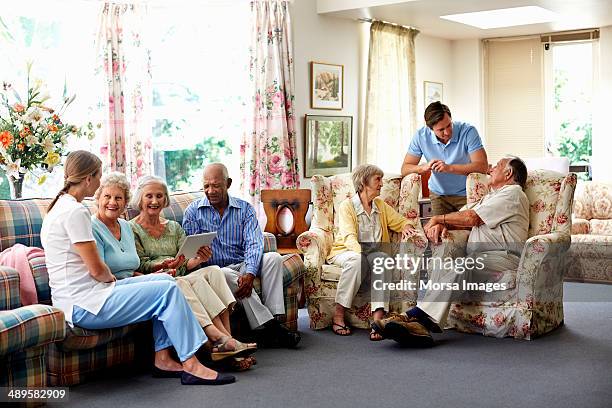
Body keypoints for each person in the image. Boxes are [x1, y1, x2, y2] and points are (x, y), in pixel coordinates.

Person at [41, 151, 234, 385]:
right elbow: (96, 270)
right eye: (99, 176)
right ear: (89, 178)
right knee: (165, 290)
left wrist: (131, 279)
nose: (100, 182)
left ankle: (162, 358)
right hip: (85, 305)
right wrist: (117, 280)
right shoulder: (76, 211)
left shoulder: (60, 208)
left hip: (87, 298)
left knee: (167, 282)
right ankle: (192, 364)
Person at [373, 156, 529, 347]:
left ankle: (413, 316)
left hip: (503, 257)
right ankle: (419, 328)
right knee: (446, 264)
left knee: (461, 265)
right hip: (481, 257)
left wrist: (439, 219)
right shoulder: (490, 197)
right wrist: (443, 224)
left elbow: (472, 218)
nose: (490, 168)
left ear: (508, 173)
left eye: (496, 166)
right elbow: (462, 215)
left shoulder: (513, 193)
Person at [128, 175, 257, 370]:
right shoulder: (132, 229)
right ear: (140, 199)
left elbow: (186, 261)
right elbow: (139, 265)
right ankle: (223, 344)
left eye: (159, 196)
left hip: (179, 274)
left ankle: (227, 342)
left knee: (213, 270)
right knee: (181, 283)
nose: (154, 201)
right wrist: (164, 265)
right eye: (149, 196)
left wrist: (199, 259)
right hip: (157, 279)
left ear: (165, 200)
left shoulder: (173, 227)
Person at [182, 163, 301, 348]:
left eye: (216, 185)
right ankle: (273, 330)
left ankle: (273, 319)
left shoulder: (244, 209)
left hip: (243, 263)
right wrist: (198, 256)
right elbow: (190, 253)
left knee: (273, 258)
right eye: (206, 186)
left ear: (228, 183)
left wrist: (250, 272)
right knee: (224, 274)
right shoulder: (193, 212)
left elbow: (255, 243)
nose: (210, 191)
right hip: (216, 271)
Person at [328, 164, 419, 340]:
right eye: (378, 179)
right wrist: (363, 258)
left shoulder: (380, 205)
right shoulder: (347, 206)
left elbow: (399, 221)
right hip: (347, 251)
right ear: (364, 181)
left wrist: (406, 227)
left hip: (372, 253)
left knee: (382, 260)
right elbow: (349, 237)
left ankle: (378, 320)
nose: (382, 184)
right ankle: (338, 315)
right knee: (357, 261)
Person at [401, 101, 489, 215]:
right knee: (439, 231)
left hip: (466, 194)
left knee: (470, 232)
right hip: (438, 195)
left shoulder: (468, 131)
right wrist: (423, 168)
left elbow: (482, 166)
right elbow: (405, 168)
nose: (447, 132)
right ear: (430, 129)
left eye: (449, 125)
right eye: (441, 130)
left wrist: (449, 168)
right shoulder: (420, 136)